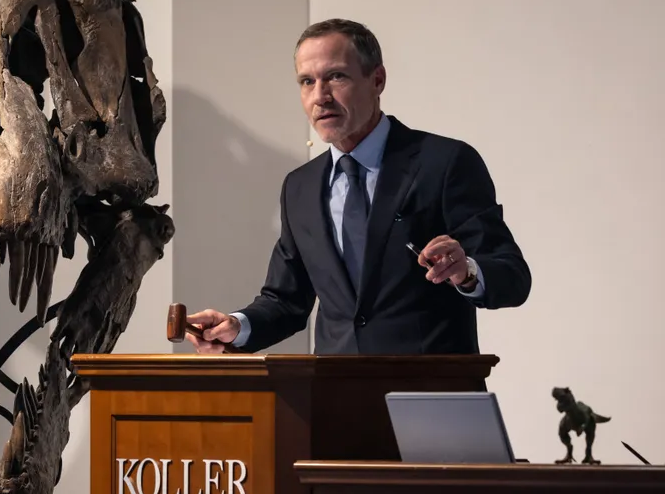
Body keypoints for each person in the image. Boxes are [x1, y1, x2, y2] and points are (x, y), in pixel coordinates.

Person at [187, 19, 531, 355]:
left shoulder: (445, 163)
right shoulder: (300, 187)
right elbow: (286, 301)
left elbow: (511, 276)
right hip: (336, 399)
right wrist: (236, 325)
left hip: (432, 396)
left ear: (377, 80)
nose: (320, 96)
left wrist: (466, 271)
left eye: (336, 76)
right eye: (307, 81)